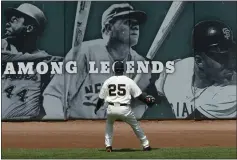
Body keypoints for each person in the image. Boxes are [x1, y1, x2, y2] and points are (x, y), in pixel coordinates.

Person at [43, 3, 152, 119]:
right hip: (78, 127)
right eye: (128, 22)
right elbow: (53, 95)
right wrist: (58, 121)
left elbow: (138, 106)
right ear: (108, 28)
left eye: (137, 23)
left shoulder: (140, 63)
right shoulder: (85, 52)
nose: (135, 26)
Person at [155, 20, 236, 119]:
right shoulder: (176, 70)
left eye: (231, 55)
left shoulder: (231, 93)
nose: (231, 64)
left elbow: (187, 129)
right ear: (199, 61)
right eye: (221, 58)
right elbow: (153, 97)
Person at [1, 3, 63, 120]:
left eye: (14, 20)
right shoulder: (4, 46)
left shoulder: (47, 64)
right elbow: (5, 58)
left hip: (28, 123)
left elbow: (52, 96)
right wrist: (45, 58)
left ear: (29, 28)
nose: (7, 23)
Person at [94, 61, 155, 152]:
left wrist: (96, 108)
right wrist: (147, 101)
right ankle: (146, 145)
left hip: (111, 108)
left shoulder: (108, 81)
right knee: (136, 126)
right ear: (123, 70)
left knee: (109, 125)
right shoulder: (128, 81)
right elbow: (139, 96)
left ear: (114, 70)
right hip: (124, 109)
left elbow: (101, 99)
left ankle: (108, 146)